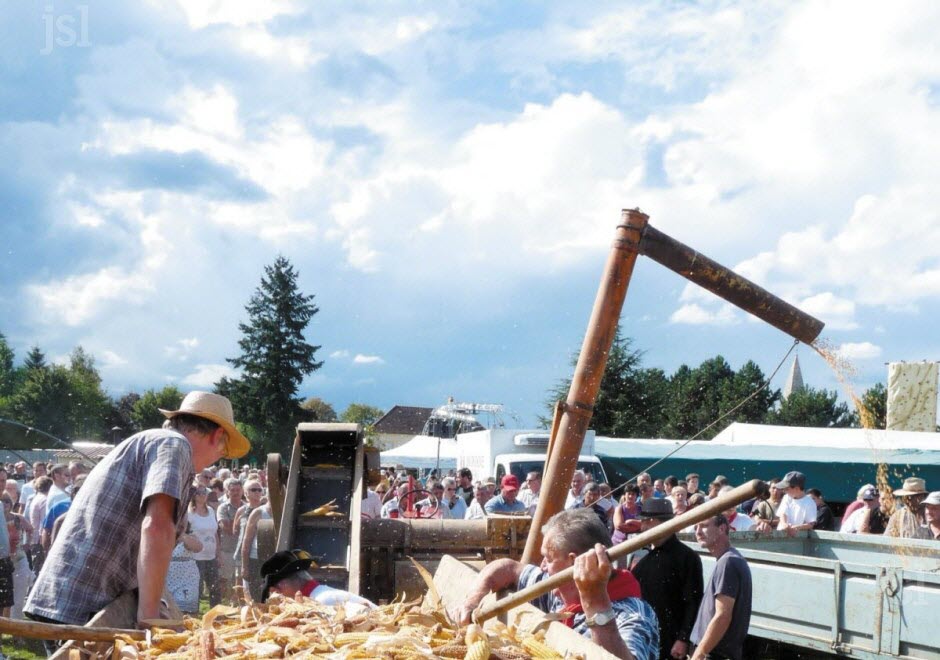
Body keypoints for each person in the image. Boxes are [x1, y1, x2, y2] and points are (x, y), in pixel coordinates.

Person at [24, 391, 249, 627]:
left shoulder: (160, 444)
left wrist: (153, 600)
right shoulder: (174, 445)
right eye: (223, 451)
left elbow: (152, 543)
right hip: (81, 604)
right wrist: (149, 615)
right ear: (218, 435)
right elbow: (157, 527)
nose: (217, 458)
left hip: (85, 600)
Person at [457, 508, 660, 659]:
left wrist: (594, 602)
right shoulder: (558, 591)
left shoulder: (632, 615)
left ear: (574, 562)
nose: (542, 566)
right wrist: (473, 601)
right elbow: (507, 567)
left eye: (549, 558)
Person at [631, 499, 703, 660]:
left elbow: (693, 601)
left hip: (669, 639)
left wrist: (683, 639)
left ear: (653, 522)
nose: (641, 527)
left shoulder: (686, 557)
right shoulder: (641, 555)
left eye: (644, 521)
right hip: (642, 635)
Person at [690, 514, 752, 660]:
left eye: (704, 526)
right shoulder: (727, 560)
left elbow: (722, 616)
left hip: (715, 655)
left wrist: (699, 655)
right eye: (695, 527)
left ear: (722, 528)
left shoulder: (728, 562)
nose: (698, 532)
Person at [260, 549, 374, 607]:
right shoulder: (321, 594)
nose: (275, 596)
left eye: (274, 591)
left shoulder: (323, 601)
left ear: (281, 586)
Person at [188, 485, 221, 606]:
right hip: (196, 557)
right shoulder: (189, 513)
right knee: (197, 588)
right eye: (199, 493)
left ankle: (217, 614)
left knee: (215, 588)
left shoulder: (211, 511)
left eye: (204, 492)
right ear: (193, 496)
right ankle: (193, 613)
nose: (202, 495)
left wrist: (218, 554)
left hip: (211, 556)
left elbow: (215, 534)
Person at [165, 525, 203, 615]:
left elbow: (199, 547)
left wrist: (181, 535)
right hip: (167, 580)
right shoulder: (161, 535)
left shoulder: (189, 537)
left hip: (186, 580)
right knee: (167, 611)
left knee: (186, 612)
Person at [216, 477, 244, 603]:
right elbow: (226, 527)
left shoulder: (246, 507)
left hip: (243, 550)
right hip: (227, 550)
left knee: (240, 579)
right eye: (232, 490)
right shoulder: (223, 508)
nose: (236, 492)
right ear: (227, 492)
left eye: (238, 490)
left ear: (242, 491)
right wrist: (241, 521)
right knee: (225, 579)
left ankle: (237, 603)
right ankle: (225, 604)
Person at [774, 471, 816, 536]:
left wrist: (796, 527)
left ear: (797, 488)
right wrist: (784, 524)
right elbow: (783, 513)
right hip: (781, 536)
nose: (784, 491)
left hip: (798, 540)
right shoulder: (786, 497)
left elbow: (811, 524)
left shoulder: (810, 502)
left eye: (786, 489)